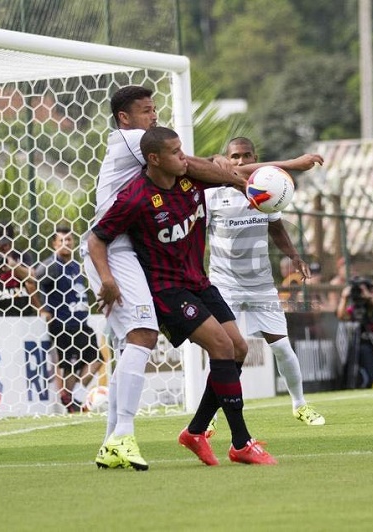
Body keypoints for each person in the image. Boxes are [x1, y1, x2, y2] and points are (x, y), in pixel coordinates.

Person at [89, 126, 277, 466]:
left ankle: (195, 431)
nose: (183, 157)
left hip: (198, 282)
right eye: (176, 152)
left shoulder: (192, 179)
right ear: (154, 159)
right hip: (166, 290)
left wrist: (275, 172)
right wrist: (107, 279)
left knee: (238, 349)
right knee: (221, 347)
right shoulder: (135, 197)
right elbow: (97, 238)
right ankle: (241, 442)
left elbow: (232, 171)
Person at [205, 136, 325, 426]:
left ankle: (300, 404)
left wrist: (295, 257)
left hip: (260, 285)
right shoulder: (211, 194)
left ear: (255, 156)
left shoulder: (267, 190)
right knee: (225, 351)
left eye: (247, 156)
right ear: (226, 158)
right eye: (235, 157)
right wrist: (294, 164)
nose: (241, 162)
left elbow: (277, 229)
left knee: (282, 348)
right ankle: (209, 418)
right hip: (224, 285)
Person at [35, 224, 101, 413]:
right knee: (72, 365)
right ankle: (71, 401)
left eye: (69, 239)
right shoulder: (51, 265)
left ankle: (74, 396)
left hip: (81, 322)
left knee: (96, 359)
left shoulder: (75, 265)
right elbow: (34, 281)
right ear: (54, 244)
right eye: (62, 240)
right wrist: (43, 308)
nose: (66, 243)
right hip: (64, 323)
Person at [336, 276, 373, 389]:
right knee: (364, 350)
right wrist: (344, 298)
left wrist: (369, 297)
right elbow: (341, 316)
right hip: (367, 346)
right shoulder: (356, 308)